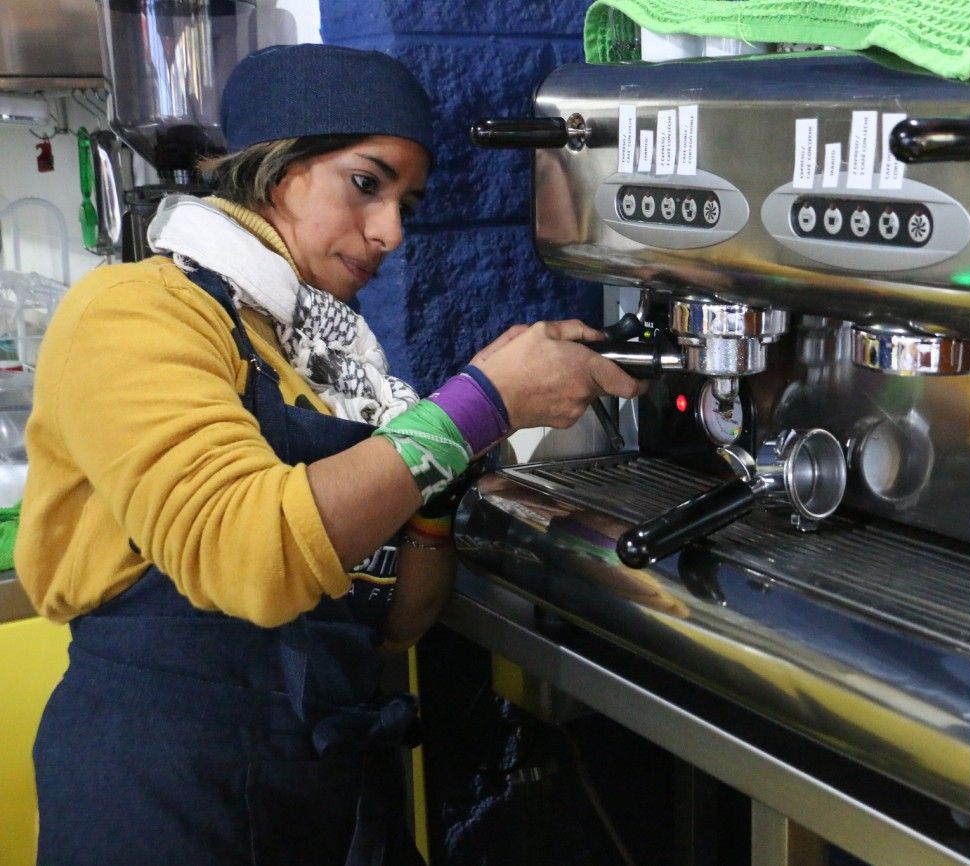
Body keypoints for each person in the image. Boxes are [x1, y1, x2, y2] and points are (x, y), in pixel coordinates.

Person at [14, 43, 642, 866]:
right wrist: (478, 404)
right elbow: (248, 553)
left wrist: (444, 476)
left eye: (405, 204)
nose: (389, 232)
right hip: (167, 785)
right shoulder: (134, 311)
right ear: (279, 171)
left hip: (321, 776)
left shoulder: (318, 354)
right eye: (366, 183)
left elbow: (399, 622)